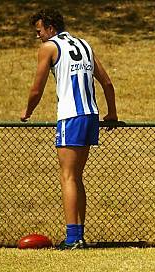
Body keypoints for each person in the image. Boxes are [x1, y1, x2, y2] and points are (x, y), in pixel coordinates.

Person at [22, 9, 118, 249]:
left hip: (70, 116)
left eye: (39, 31)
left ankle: (73, 238)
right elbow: (107, 83)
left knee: (67, 176)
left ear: (51, 28)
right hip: (91, 114)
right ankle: (79, 235)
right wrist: (113, 113)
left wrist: (27, 112)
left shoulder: (49, 48)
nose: (39, 36)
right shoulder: (84, 44)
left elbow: (36, 89)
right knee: (76, 177)